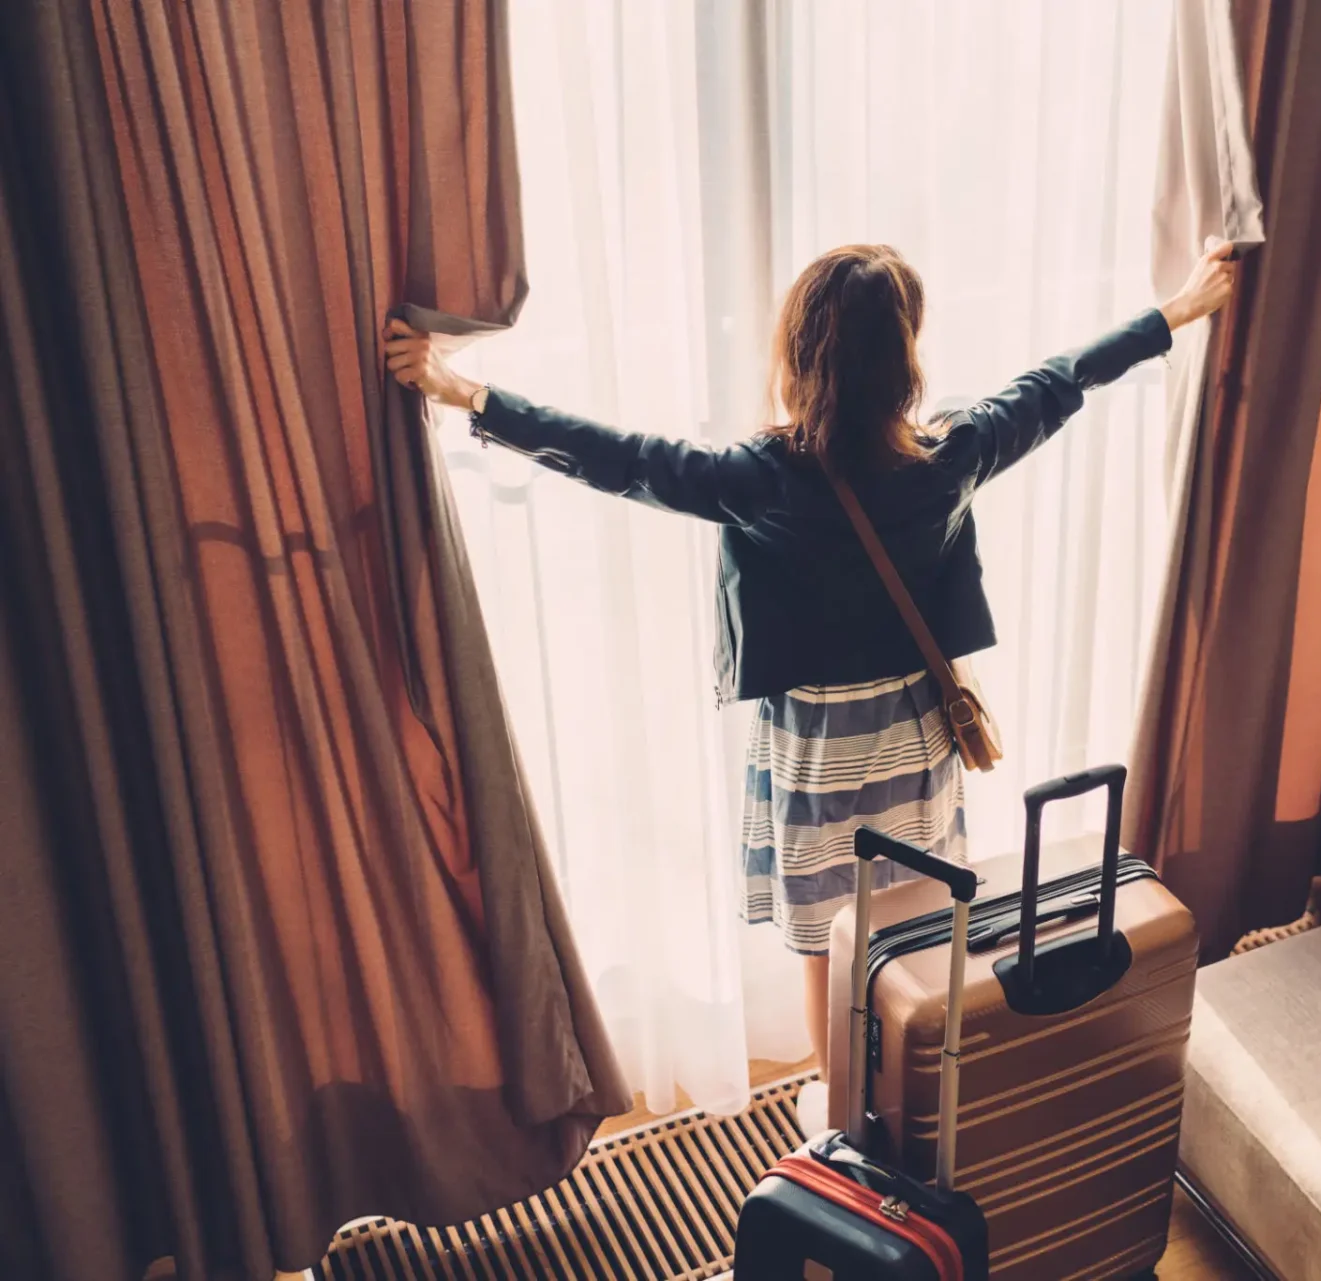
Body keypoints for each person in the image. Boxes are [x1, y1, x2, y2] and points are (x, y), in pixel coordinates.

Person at [384, 239, 1235, 1131]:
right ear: (904, 363)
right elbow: (1061, 380)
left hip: (819, 748)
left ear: (800, 357)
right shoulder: (951, 453)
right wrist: (1176, 309)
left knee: (830, 936)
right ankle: (920, 1085)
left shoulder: (762, 478)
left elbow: (622, 457)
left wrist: (468, 394)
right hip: (913, 734)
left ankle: (841, 1111)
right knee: (913, 916)